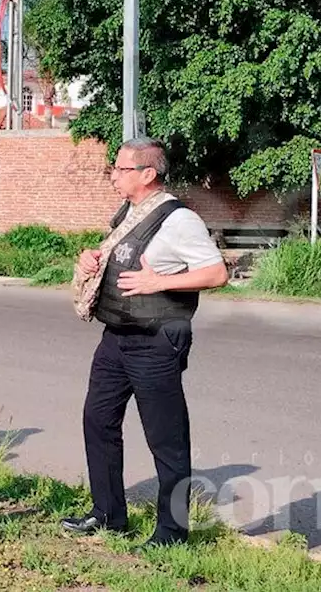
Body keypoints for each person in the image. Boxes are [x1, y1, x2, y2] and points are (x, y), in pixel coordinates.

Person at [63, 137, 229, 548]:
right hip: (116, 337)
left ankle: (172, 532)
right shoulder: (129, 212)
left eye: (120, 169)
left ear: (148, 174)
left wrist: (160, 282)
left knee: (166, 439)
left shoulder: (178, 220)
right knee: (97, 421)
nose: (113, 175)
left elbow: (216, 273)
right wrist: (90, 260)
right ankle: (107, 514)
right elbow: (114, 257)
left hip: (157, 341)